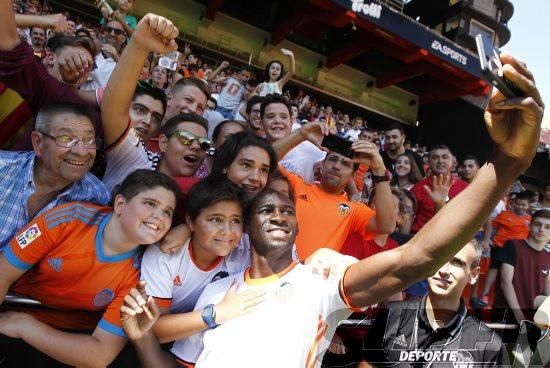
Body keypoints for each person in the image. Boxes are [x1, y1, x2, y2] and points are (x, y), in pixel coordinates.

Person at [123, 45, 543, 368]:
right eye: (265, 209)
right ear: (246, 225)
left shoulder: (320, 282)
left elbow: (417, 256)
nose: (277, 214)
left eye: (287, 209)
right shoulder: (216, 294)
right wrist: (143, 337)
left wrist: (506, 165)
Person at [0, 169, 181, 367]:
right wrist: (19, 325)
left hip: (68, 339)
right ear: (120, 204)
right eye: (150, 203)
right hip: (14, 314)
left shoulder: (140, 274)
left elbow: (99, 354)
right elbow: (2, 274)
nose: (159, 216)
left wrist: (26, 327)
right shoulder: (67, 219)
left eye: (167, 212)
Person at [140, 176, 265, 351]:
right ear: (190, 221)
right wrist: (217, 313)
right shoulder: (165, 255)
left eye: (235, 221)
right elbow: (156, 330)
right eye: (216, 220)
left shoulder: (242, 250)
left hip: (199, 343)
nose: (227, 231)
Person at [100, 16, 210, 192]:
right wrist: (139, 44)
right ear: (163, 143)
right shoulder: (137, 160)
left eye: (204, 143)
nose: (196, 146)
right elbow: (113, 109)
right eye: (185, 138)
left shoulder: (201, 192)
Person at [364, 241, 509, 366]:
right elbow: (367, 364)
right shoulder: (392, 316)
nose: (444, 270)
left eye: (456, 262)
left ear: (473, 275)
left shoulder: (489, 344)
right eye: (440, 259)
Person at [271, 119, 396, 260]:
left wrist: (379, 169)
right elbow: (265, 161)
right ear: (322, 164)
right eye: (332, 159)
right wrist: (301, 134)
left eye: (345, 164)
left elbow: (387, 226)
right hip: (276, 270)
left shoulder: (353, 210)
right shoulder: (296, 185)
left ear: (353, 175)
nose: (337, 166)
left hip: (311, 280)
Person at [0, 102, 110, 250]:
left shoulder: (96, 196)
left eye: (89, 140)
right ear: (38, 142)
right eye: (66, 139)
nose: (82, 152)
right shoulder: (3, 168)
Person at [1, 4, 98, 151]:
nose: (81, 69)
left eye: (88, 66)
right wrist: (40, 20)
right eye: (76, 59)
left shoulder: (79, 114)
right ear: (51, 57)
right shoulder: (19, 67)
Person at [493, 209, 550, 324]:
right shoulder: (513, 245)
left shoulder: (548, 256)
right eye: (537, 224)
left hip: (531, 319)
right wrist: (519, 315)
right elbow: (505, 282)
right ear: (529, 226)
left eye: (547, 227)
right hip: (506, 316)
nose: (541, 229)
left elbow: (546, 291)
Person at [478, 190, 532, 306]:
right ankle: (485, 294)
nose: (520, 207)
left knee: (513, 274)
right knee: (494, 268)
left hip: (517, 250)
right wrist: (489, 239)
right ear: (513, 203)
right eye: (518, 204)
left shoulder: (530, 220)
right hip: (500, 245)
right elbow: (492, 226)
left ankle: (512, 297)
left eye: (523, 205)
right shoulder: (504, 214)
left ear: (528, 206)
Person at [261, 93, 326, 183]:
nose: (277, 121)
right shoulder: (253, 148)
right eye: (270, 117)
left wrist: (353, 192)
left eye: (283, 117)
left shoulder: (309, 147)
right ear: (261, 123)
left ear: (291, 123)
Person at [410, 144, 469, 233]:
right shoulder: (418, 188)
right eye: (435, 157)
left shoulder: (465, 188)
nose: (440, 161)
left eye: (445, 157)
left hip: (455, 239)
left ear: (452, 162)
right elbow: (408, 219)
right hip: (422, 239)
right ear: (429, 162)